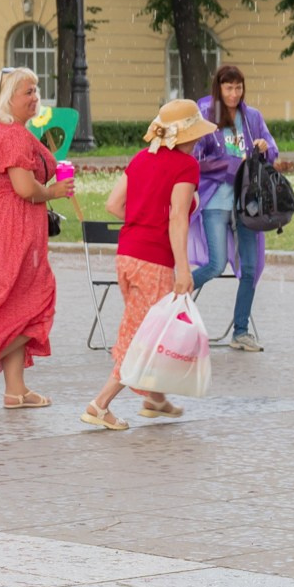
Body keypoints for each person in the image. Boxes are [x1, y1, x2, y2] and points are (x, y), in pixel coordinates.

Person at [0, 66, 75, 408]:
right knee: (35, 301)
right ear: (8, 98)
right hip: (13, 226)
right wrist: (54, 192)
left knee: (11, 304)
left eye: (36, 90)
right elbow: (24, 189)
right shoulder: (14, 136)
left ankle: (15, 389)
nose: (35, 97)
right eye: (28, 92)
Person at [87, 99, 213, 430]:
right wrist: (183, 269)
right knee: (143, 334)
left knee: (144, 326)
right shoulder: (186, 167)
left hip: (127, 255)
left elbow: (114, 204)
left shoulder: (142, 158)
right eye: (196, 135)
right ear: (185, 135)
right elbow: (177, 218)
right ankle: (100, 404)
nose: (198, 142)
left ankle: (154, 398)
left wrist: (143, 219)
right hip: (155, 260)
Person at [191, 64, 278, 353]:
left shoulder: (252, 117)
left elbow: (272, 153)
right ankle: (168, 301)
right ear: (219, 88)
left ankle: (240, 332)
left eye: (238, 87)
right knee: (215, 265)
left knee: (251, 268)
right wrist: (226, 164)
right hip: (216, 200)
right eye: (228, 87)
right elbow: (194, 160)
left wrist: (265, 149)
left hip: (247, 203)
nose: (234, 93)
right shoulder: (206, 116)